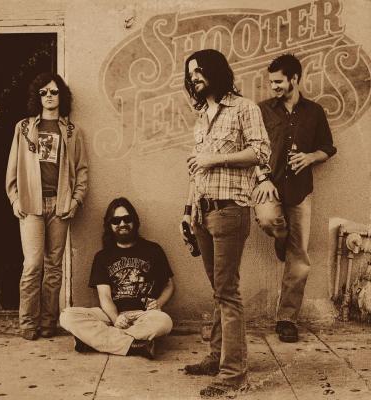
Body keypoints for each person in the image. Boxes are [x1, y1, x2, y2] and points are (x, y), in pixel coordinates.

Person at [181, 49, 270, 397]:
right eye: (190, 74)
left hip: (230, 211)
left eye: (199, 71)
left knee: (227, 292)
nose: (194, 78)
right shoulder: (202, 115)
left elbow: (260, 153)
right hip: (202, 212)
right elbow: (196, 170)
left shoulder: (244, 108)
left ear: (216, 71)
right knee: (219, 290)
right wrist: (187, 211)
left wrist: (213, 159)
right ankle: (217, 357)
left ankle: (233, 375)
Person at [252, 54, 337, 343]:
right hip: (268, 186)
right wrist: (262, 178)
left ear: (294, 79)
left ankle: (287, 319)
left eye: (278, 81)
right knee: (267, 220)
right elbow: (251, 148)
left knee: (299, 257)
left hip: (300, 190)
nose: (273, 86)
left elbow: (328, 147)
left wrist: (311, 157)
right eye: (271, 82)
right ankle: (281, 237)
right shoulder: (262, 110)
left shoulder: (314, 112)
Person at [6, 72, 88, 340]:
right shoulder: (24, 128)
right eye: (43, 92)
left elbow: (82, 170)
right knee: (33, 265)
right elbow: (13, 168)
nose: (49, 96)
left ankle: (48, 322)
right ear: (37, 96)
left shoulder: (72, 131)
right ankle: (28, 323)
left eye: (54, 91)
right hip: (31, 204)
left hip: (60, 204)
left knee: (54, 268)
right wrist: (15, 198)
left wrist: (76, 200)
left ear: (62, 96)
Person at [60, 197, 174, 359]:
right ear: (110, 225)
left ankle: (94, 342)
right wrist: (116, 319)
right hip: (110, 315)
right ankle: (135, 345)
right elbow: (105, 296)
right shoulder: (102, 257)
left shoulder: (153, 250)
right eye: (116, 220)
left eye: (127, 219)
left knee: (164, 322)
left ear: (135, 221)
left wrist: (159, 303)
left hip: (144, 315)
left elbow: (169, 284)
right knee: (67, 315)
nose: (122, 224)